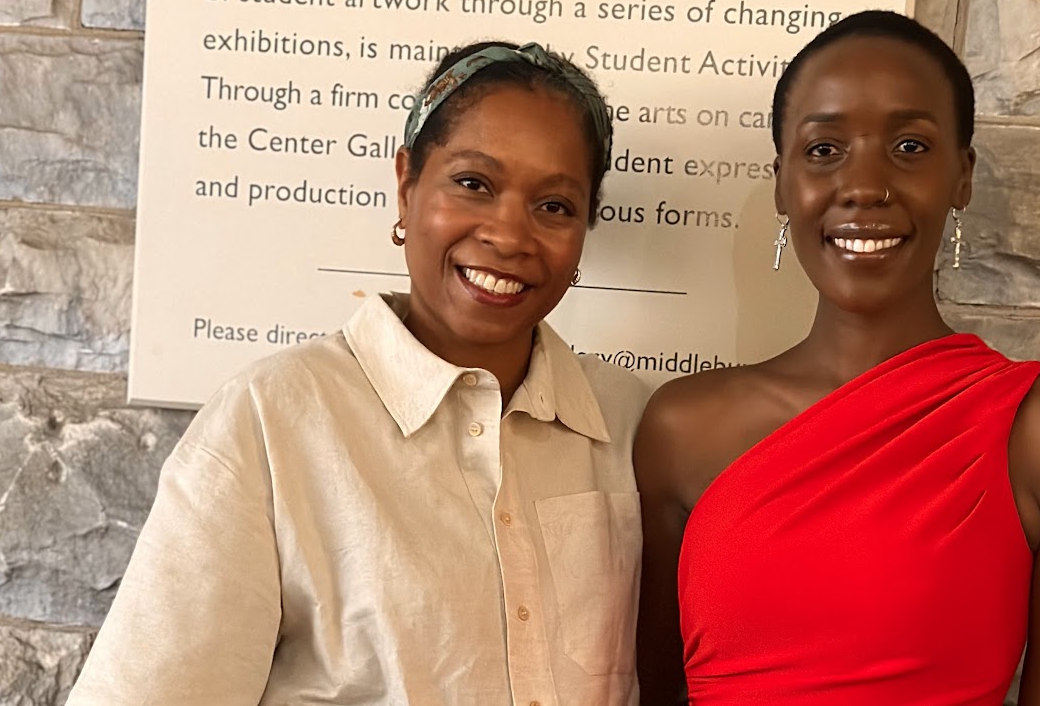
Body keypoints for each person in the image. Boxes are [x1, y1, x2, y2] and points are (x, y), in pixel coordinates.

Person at [68, 41, 648, 706]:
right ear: (406, 185)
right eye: (473, 184)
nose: (510, 234)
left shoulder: (630, 425)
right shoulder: (271, 419)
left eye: (555, 206)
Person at [635, 11, 1040, 706]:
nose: (865, 185)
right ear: (782, 183)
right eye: (823, 149)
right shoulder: (681, 427)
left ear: (962, 177)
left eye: (908, 145)